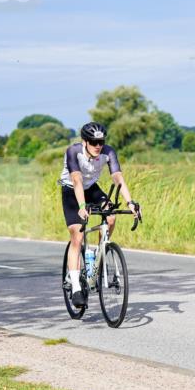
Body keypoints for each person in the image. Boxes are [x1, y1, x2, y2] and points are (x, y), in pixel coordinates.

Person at [59, 122, 138, 306]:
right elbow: (77, 181)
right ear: (84, 141)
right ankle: (77, 286)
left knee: (111, 217)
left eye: (101, 142)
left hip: (92, 189)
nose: (98, 146)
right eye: (93, 142)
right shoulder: (73, 151)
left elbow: (118, 178)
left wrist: (130, 202)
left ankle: (99, 250)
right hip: (71, 191)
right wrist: (82, 206)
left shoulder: (108, 152)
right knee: (77, 235)